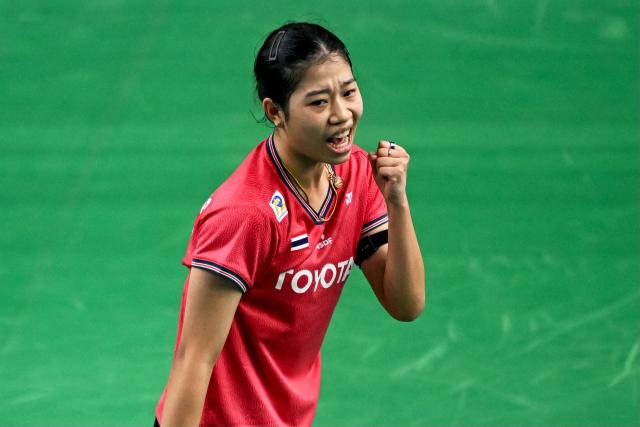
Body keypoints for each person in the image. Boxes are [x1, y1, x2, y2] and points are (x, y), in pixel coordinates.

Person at [154, 22, 425, 427]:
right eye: (318, 103)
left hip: (288, 416)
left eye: (348, 92)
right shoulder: (245, 213)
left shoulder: (357, 176)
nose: (342, 114)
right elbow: (195, 358)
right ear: (275, 111)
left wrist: (397, 201)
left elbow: (405, 304)